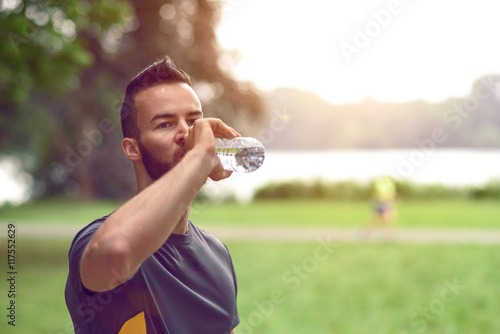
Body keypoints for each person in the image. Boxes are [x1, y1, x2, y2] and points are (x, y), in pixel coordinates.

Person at [65, 57, 241, 334]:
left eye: (194, 121)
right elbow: (116, 251)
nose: (186, 133)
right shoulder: (95, 239)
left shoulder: (218, 254)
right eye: (165, 125)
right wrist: (198, 158)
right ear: (132, 149)